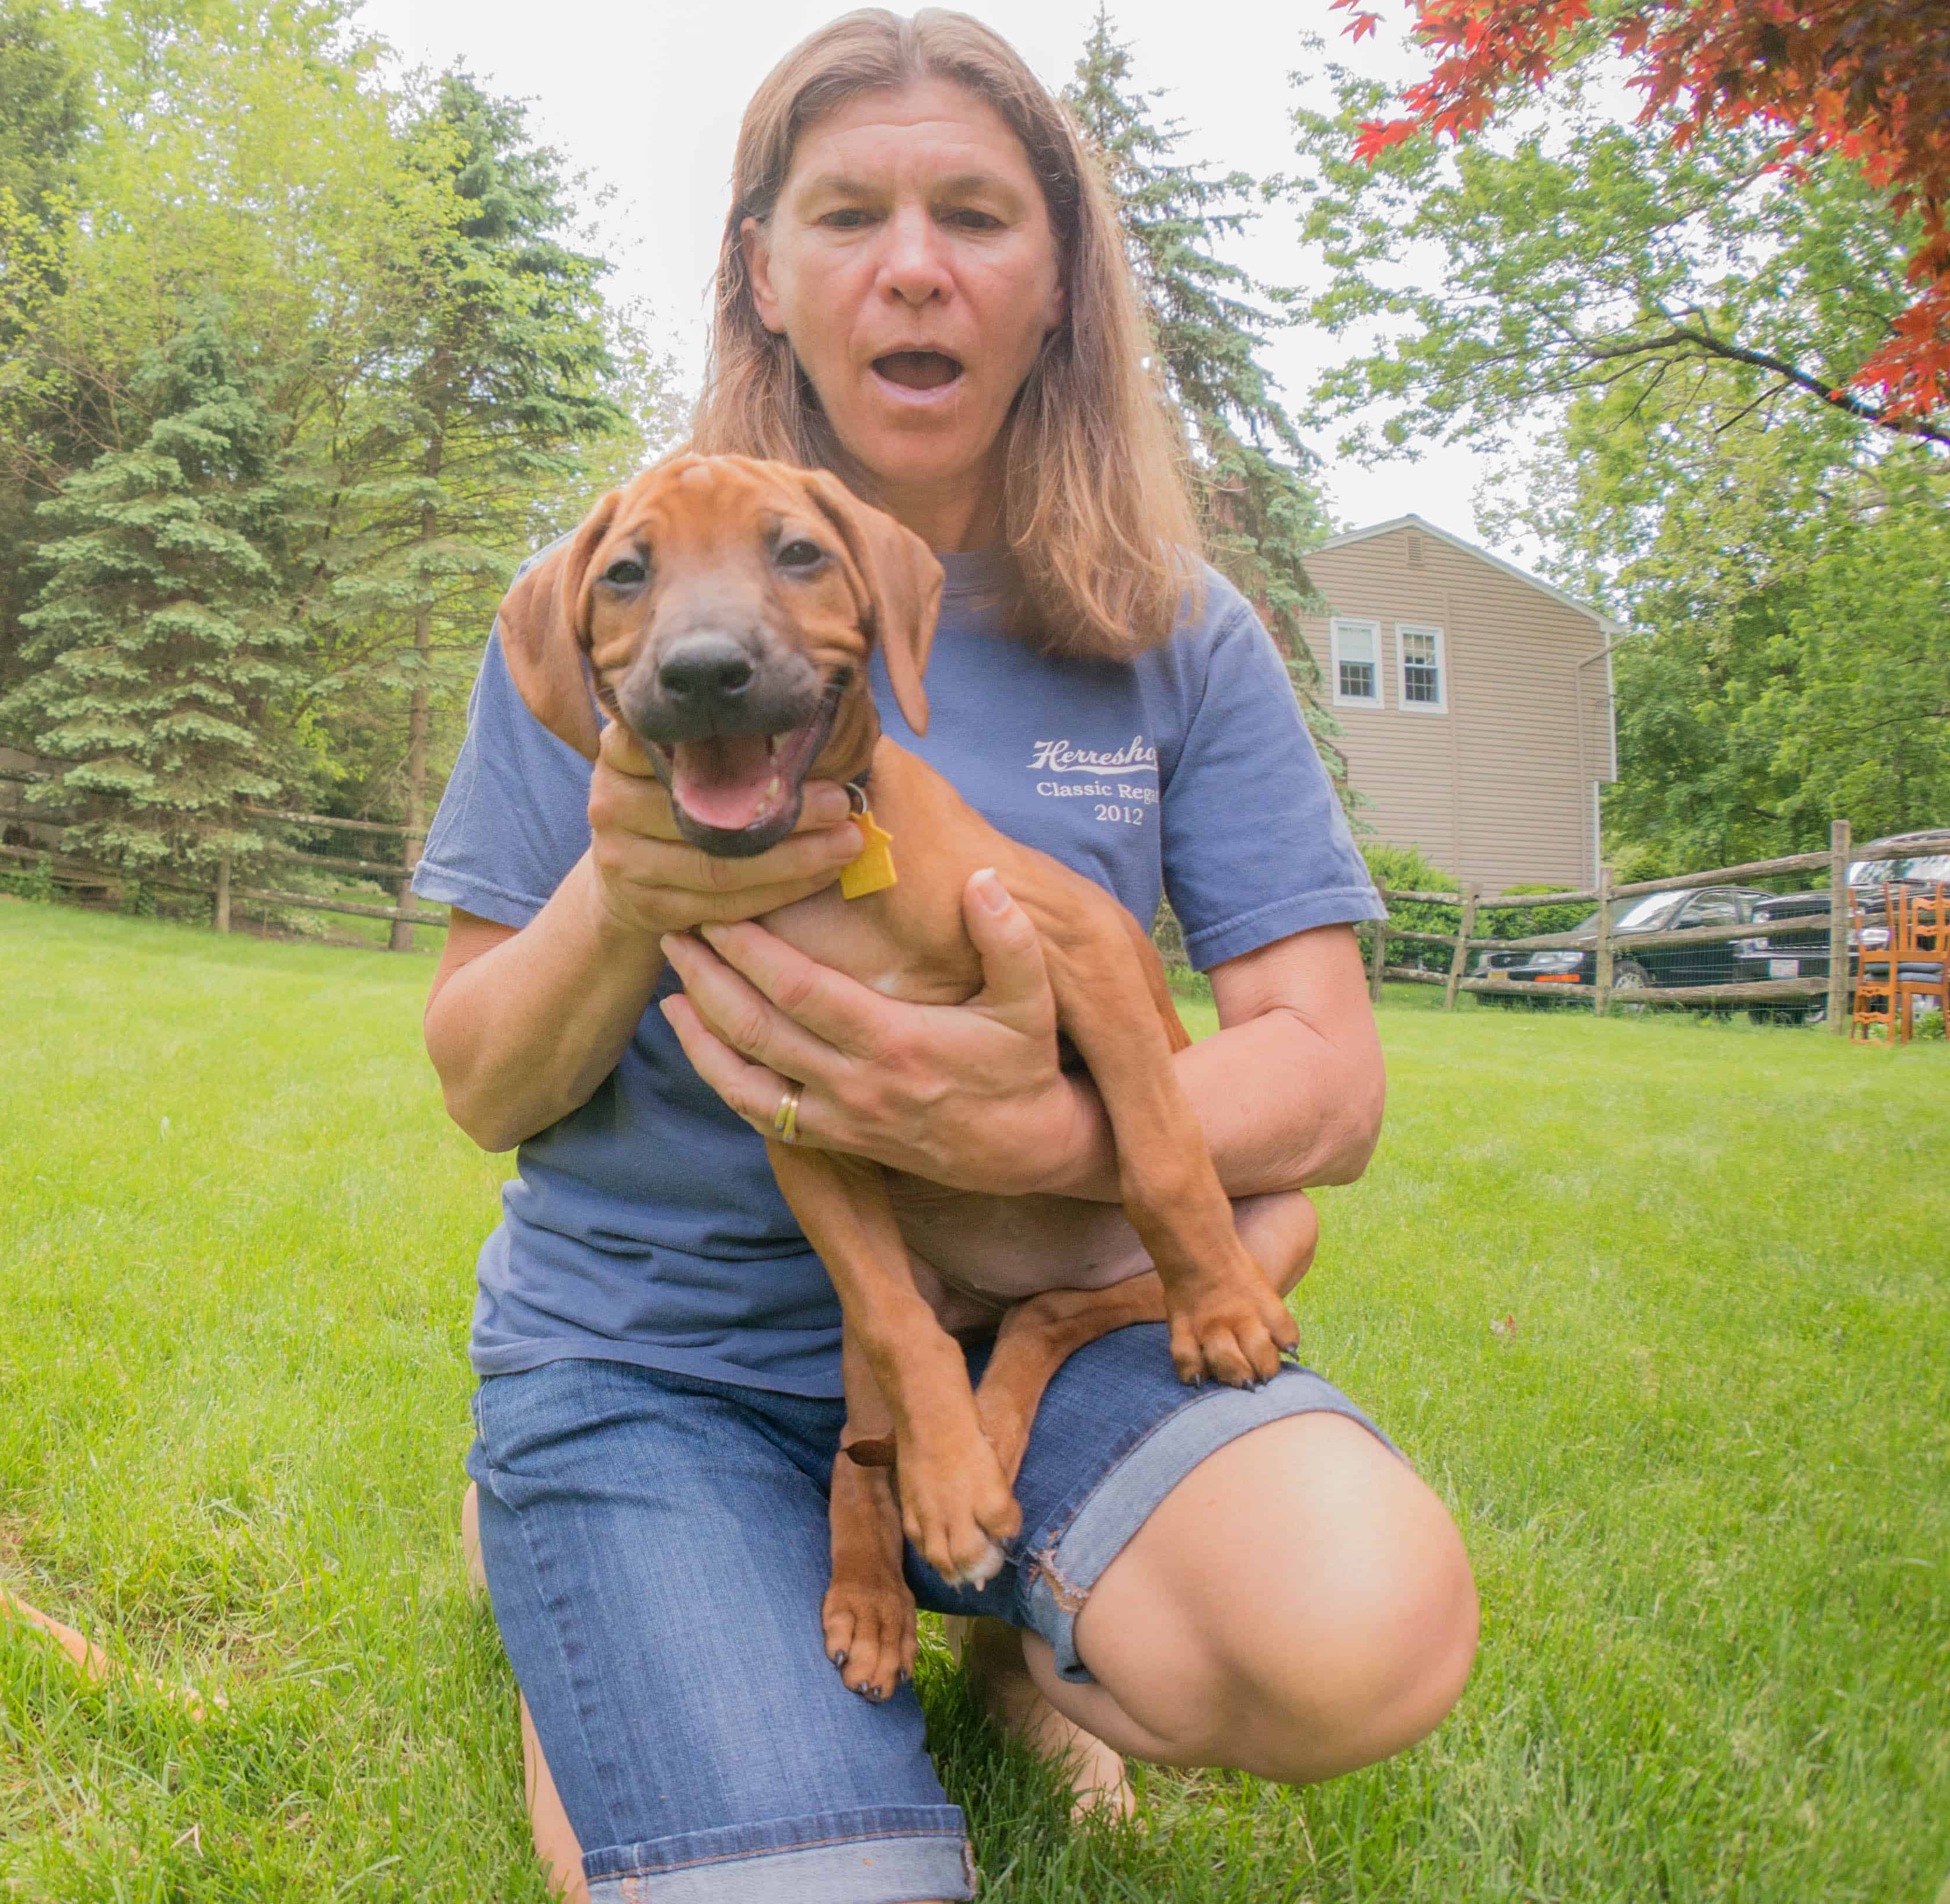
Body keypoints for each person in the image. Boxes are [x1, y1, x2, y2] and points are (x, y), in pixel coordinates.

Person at [411, 10, 1477, 1902]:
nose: (915, 264)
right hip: (668, 1353)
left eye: (978, 214)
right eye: (849, 215)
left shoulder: (1175, 629)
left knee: (1358, 1625)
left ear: (1060, 275)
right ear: (765, 269)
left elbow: (1327, 1072)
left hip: (1032, 1331)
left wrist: (1032, 1143)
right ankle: (594, 1552)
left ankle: (1006, 1631)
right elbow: (481, 1077)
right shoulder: (619, 598)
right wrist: (632, 881)